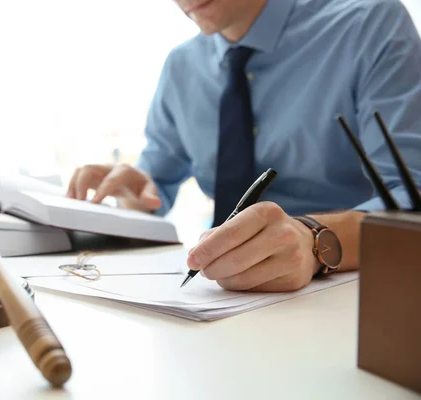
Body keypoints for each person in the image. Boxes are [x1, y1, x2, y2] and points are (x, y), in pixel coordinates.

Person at [66, 0, 421, 292]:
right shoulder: (181, 66)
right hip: (218, 299)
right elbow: (153, 188)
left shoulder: (369, 25)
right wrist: (134, 195)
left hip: (348, 297)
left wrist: (314, 241)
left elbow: (412, 201)